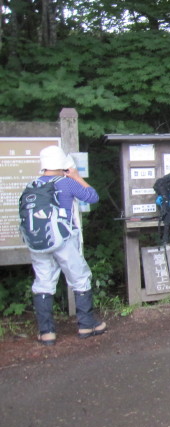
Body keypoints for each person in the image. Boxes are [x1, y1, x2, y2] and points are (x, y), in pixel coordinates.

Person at [27, 145, 105, 345]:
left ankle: (47, 332)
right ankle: (86, 325)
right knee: (80, 278)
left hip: (38, 242)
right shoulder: (66, 183)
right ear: (62, 163)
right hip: (64, 239)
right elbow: (93, 196)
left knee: (43, 282)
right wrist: (77, 176)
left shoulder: (32, 185)